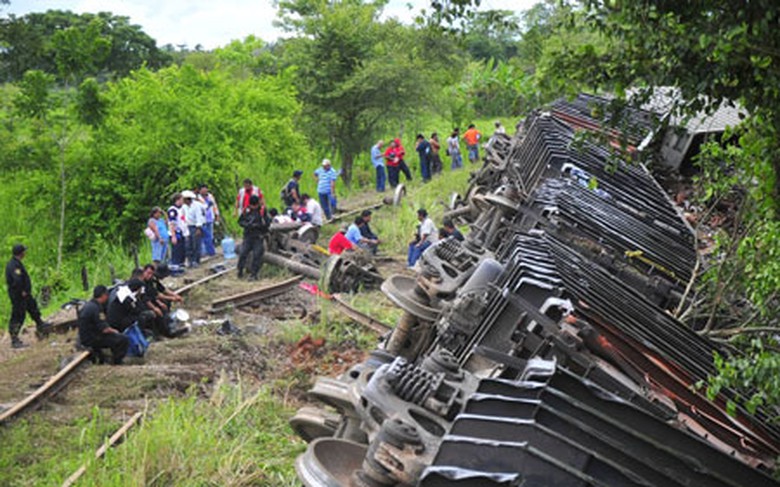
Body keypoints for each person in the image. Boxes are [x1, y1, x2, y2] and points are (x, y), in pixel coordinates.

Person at [5, 244, 50, 348]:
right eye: (24, 251)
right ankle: (14, 338)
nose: (25, 253)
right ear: (21, 253)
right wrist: (22, 291)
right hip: (19, 295)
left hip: (25, 294)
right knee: (18, 315)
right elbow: (17, 280)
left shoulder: (17, 263)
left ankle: (40, 323)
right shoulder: (13, 265)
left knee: (32, 307)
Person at [78, 285, 130, 365]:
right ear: (103, 295)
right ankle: (117, 362)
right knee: (122, 339)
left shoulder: (88, 305)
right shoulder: (97, 308)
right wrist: (115, 331)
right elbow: (104, 329)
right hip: (92, 338)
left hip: (84, 337)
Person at [238, 195, 270, 280]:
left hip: (258, 236)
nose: (254, 207)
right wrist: (247, 225)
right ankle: (240, 270)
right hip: (248, 236)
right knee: (243, 253)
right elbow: (240, 221)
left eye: (255, 206)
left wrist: (258, 226)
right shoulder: (247, 211)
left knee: (257, 255)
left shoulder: (262, 211)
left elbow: (267, 224)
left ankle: (254, 274)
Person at [182, 190, 205, 268]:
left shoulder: (196, 206)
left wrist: (198, 228)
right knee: (189, 244)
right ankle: (190, 260)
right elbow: (183, 216)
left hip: (195, 226)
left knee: (196, 244)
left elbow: (199, 217)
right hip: (188, 226)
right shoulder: (184, 207)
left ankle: (196, 260)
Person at [199, 184, 220, 257]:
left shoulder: (210, 196)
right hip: (203, 220)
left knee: (210, 235)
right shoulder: (197, 198)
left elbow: (215, 206)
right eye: (203, 189)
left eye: (206, 189)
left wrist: (217, 215)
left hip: (210, 218)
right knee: (203, 236)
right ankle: (203, 252)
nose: (205, 191)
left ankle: (210, 250)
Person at [167, 193, 187, 267]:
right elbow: (172, 223)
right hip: (175, 233)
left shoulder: (181, 209)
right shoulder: (173, 210)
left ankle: (181, 264)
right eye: (182, 199)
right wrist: (173, 236)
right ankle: (175, 265)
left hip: (181, 232)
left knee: (182, 250)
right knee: (176, 250)